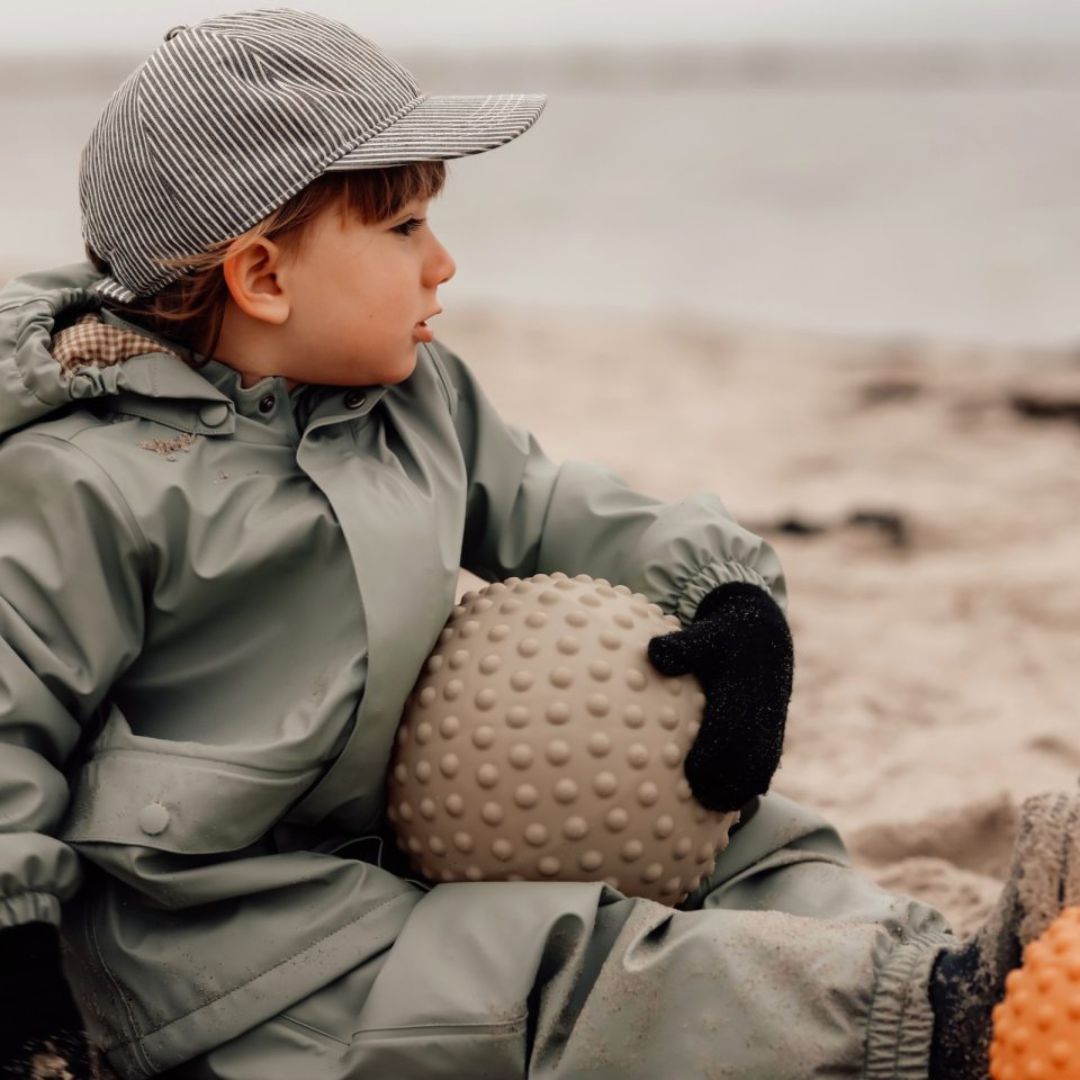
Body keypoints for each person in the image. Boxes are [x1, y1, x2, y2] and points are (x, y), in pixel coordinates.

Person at [0, 10, 1073, 1079]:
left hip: (407, 820)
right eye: (405, 229)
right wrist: (16, 957)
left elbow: (553, 504)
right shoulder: (87, 480)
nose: (445, 265)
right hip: (227, 938)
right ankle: (923, 1030)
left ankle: (943, 965)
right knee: (551, 975)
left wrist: (726, 594)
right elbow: (12, 715)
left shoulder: (416, 402)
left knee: (735, 828)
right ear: (264, 278)